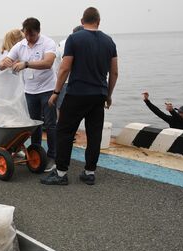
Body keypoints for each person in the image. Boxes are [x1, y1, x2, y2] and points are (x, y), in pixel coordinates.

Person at [42, 7, 118, 186]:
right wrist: (108, 95)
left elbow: (65, 68)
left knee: (64, 132)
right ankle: (89, 172)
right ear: (98, 22)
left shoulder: (74, 39)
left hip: (77, 94)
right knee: (94, 134)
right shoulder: (109, 42)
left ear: (82, 21)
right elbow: (114, 72)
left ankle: (60, 174)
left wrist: (56, 92)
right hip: (98, 95)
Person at [0, 17, 58, 172]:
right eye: (27, 35)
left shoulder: (48, 43)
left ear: (38, 32)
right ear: (23, 31)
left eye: (32, 35)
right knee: (34, 124)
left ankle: (52, 156)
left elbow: (48, 63)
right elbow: (2, 63)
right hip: (30, 91)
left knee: (50, 124)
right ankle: (35, 153)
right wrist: (3, 64)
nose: (29, 38)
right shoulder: (20, 45)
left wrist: (26, 64)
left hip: (47, 89)